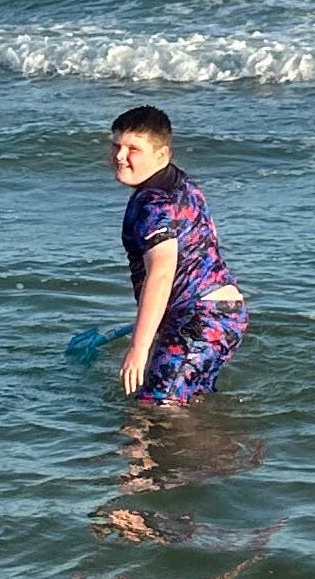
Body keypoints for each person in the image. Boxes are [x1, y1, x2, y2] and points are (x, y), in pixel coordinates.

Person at [106, 104, 249, 404]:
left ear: (162, 155)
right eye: (116, 145)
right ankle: (220, 447)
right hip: (225, 314)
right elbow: (208, 239)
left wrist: (139, 347)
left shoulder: (152, 204)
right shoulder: (182, 184)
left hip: (199, 318)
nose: (120, 156)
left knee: (154, 409)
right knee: (186, 403)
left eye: (133, 148)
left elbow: (161, 272)